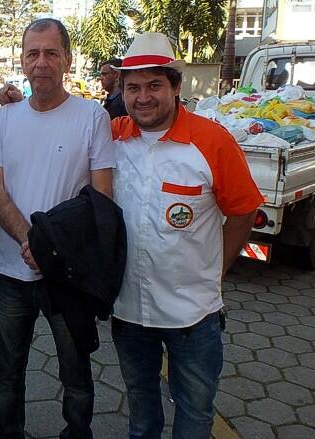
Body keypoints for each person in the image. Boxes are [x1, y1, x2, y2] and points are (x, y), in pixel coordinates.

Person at [109, 33, 263, 439]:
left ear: (176, 87)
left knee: (195, 414)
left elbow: (244, 210)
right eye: (133, 87)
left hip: (192, 315)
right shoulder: (112, 139)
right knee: (141, 414)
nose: (143, 97)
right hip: (128, 312)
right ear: (121, 90)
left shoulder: (212, 142)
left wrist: (216, 271)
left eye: (154, 85)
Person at [0, 18, 115, 439]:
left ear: (67, 60)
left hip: (68, 275)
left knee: (76, 373)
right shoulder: (5, 119)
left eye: (51, 53)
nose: (41, 62)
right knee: (8, 373)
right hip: (13, 271)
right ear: (22, 60)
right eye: (32, 53)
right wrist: (33, 242)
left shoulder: (92, 117)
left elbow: (100, 201)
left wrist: (52, 251)